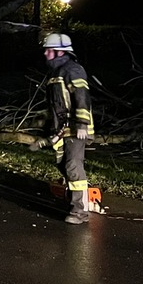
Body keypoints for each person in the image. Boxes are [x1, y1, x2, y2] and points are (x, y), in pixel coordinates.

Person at [35, 33, 95, 224]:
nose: (45, 53)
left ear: (60, 52)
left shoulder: (72, 70)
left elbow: (81, 96)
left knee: (72, 165)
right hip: (62, 129)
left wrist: (82, 124)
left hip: (76, 129)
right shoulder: (55, 74)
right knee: (64, 165)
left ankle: (80, 211)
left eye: (49, 50)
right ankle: (79, 199)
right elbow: (54, 105)